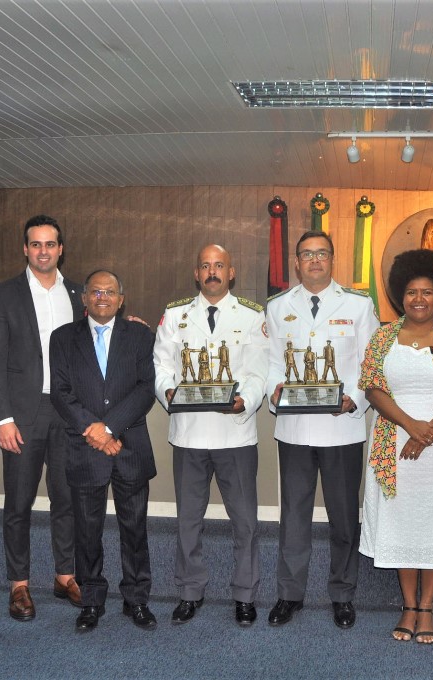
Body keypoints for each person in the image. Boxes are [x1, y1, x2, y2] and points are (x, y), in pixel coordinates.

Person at [358, 249, 433, 644]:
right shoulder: (382, 337)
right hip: (394, 444)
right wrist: (411, 426)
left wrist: (429, 432)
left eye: (427, 292)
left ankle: (427, 607)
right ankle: (408, 606)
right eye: (411, 292)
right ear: (401, 296)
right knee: (403, 521)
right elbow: (372, 387)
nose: (419, 299)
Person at [264, 231, 379, 629]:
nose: (315, 260)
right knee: (293, 517)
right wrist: (274, 391)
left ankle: (342, 596)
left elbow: (371, 364)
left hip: (342, 429)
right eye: (307, 254)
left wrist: (355, 399)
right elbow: (271, 362)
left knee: (343, 518)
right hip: (295, 430)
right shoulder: (278, 306)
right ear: (296, 262)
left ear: (332, 259)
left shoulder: (359, 305)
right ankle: (289, 594)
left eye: (322, 254)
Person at [153, 244, 268, 627]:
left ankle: (245, 595)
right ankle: (189, 591)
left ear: (231, 272)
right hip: (189, 434)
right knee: (188, 521)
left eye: (219, 265)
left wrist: (245, 401)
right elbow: (161, 365)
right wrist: (168, 393)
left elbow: (259, 371)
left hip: (235, 434)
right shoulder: (175, 314)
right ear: (196, 273)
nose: (212, 272)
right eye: (205, 266)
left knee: (245, 523)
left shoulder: (251, 315)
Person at [0, 215, 83, 621]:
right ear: (25, 249)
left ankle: (65, 575)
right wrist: (2, 418)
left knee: (67, 498)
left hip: (68, 412)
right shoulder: (3, 295)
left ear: (61, 249)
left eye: (50, 244)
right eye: (36, 244)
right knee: (19, 502)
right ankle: (19, 584)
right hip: (23, 415)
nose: (44, 251)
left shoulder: (77, 293)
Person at [49, 270, 157, 633]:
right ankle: (91, 601)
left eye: (110, 292)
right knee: (86, 532)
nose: (102, 297)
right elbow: (61, 392)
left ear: (121, 300)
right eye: (95, 292)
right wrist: (93, 430)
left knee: (135, 530)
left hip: (129, 447)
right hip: (84, 448)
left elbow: (146, 388)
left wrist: (108, 428)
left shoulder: (140, 336)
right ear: (84, 298)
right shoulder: (62, 338)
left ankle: (136, 599)